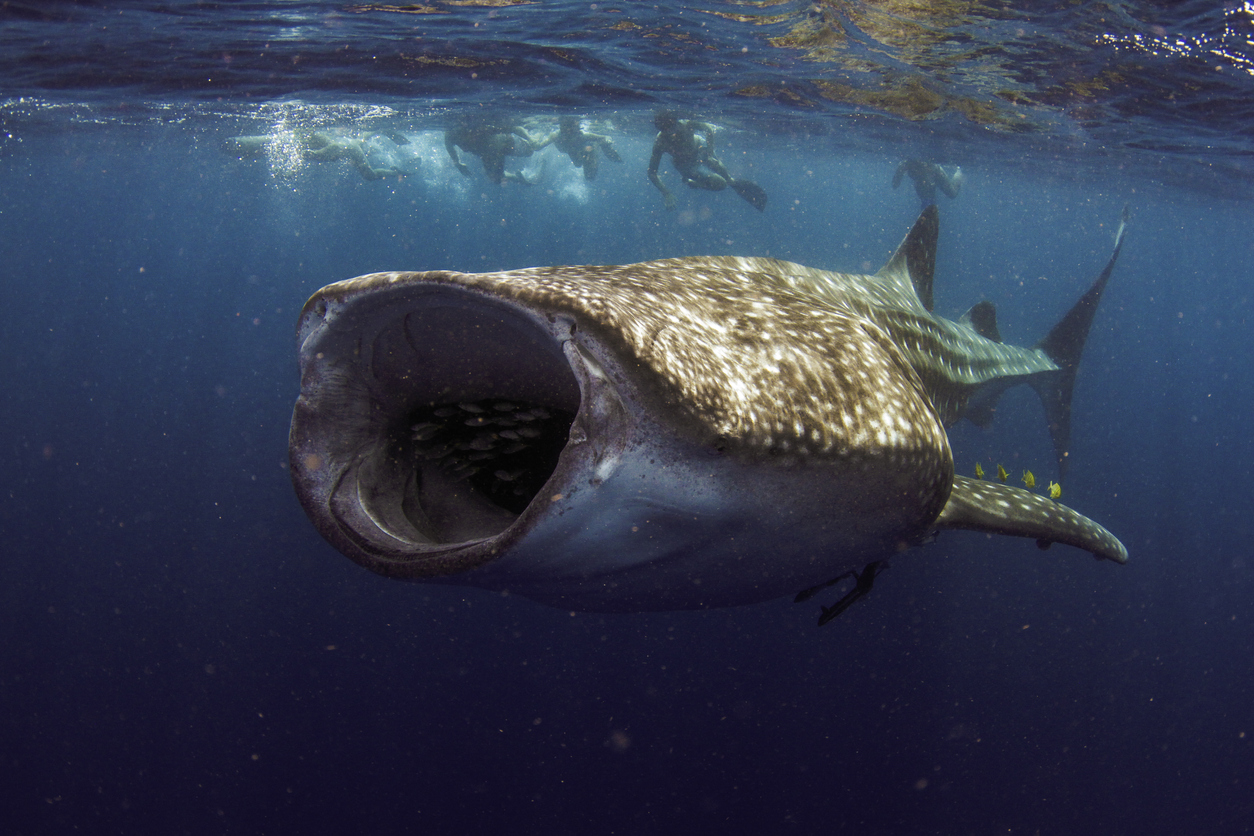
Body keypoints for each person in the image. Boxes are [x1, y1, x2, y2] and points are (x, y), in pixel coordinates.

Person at [646, 111, 767, 212]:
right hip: (684, 164)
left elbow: (708, 128)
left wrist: (709, 151)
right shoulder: (660, 142)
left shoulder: (687, 124)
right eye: (663, 128)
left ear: (676, 121)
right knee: (722, 184)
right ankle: (694, 183)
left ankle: (743, 190)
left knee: (729, 180)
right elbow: (652, 172)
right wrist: (666, 193)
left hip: (700, 149)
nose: (670, 132)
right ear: (659, 127)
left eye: (671, 126)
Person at [221, 130, 407, 181]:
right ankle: (379, 131)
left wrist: (313, 154)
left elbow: (329, 149)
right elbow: (298, 161)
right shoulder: (303, 139)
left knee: (370, 175)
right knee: (361, 139)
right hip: (344, 145)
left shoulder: (317, 148)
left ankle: (395, 171)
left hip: (348, 148)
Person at [444, 118, 541, 185]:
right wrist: (457, 163)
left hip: (507, 144)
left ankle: (539, 134)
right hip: (489, 153)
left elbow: (513, 128)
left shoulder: (482, 129)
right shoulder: (451, 135)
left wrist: (530, 138)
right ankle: (518, 179)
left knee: (531, 151)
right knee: (495, 179)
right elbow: (449, 147)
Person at [533, 116, 621, 181]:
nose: (568, 131)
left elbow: (604, 137)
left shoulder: (581, 136)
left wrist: (607, 144)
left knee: (583, 168)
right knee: (578, 164)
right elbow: (538, 146)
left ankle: (592, 150)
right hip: (575, 150)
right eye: (566, 128)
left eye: (570, 128)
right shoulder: (556, 136)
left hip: (577, 149)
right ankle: (590, 151)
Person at [892, 159, 963, 207]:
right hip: (924, 178)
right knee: (927, 201)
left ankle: (959, 171)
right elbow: (895, 184)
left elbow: (895, 183)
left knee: (952, 194)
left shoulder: (908, 164)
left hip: (936, 172)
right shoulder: (906, 163)